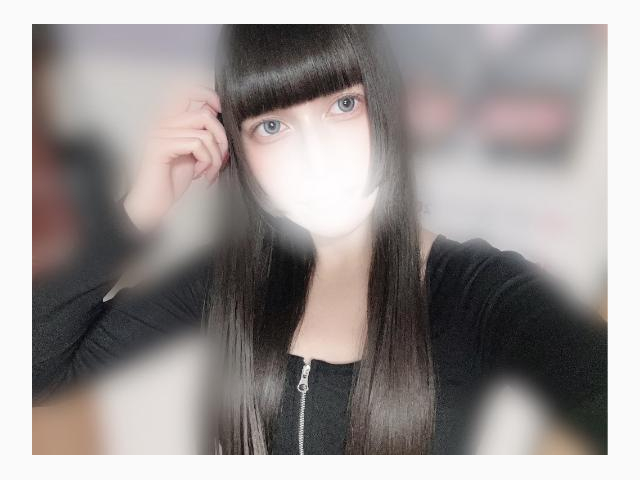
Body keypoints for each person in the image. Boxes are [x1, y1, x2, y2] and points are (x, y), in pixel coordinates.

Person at [32, 25, 607, 455]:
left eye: (343, 105)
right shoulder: (229, 281)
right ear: (236, 150)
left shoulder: (482, 291)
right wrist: (139, 210)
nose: (316, 154)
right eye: (273, 126)